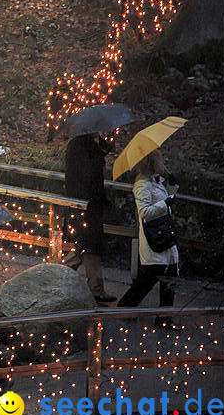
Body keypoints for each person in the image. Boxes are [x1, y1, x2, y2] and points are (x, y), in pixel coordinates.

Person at [117, 150, 179, 326]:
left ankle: (164, 316)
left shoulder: (154, 181)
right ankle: (126, 307)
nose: (163, 164)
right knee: (151, 277)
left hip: (164, 235)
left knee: (170, 274)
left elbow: (161, 201)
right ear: (153, 164)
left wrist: (172, 190)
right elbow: (145, 212)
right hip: (155, 237)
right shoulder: (142, 185)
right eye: (160, 161)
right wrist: (166, 202)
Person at [64, 130, 116, 303]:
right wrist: (101, 155)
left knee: (85, 248)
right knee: (88, 247)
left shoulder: (83, 145)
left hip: (87, 206)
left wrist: (102, 151)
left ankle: (94, 287)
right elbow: (87, 174)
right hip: (85, 206)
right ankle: (93, 288)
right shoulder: (79, 147)